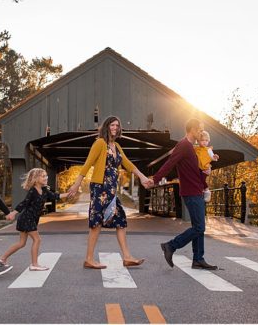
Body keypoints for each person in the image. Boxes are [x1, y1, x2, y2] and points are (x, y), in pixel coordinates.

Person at [68, 116, 153, 269]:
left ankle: (127, 257)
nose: (115, 128)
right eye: (112, 125)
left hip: (111, 190)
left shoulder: (117, 146)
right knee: (96, 223)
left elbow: (127, 163)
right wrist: (76, 184)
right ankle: (89, 259)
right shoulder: (100, 143)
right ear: (106, 126)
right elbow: (87, 164)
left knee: (121, 220)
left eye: (117, 125)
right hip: (100, 188)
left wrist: (142, 177)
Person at [155, 119, 218, 270]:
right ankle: (171, 246)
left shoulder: (192, 148)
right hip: (191, 192)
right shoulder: (183, 145)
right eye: (200, 130)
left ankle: (198, 259)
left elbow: (195, 173)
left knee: (198, 226)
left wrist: (205, 174)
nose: (202, 133)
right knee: (199, 227)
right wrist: (156, 178)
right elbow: (170, 162)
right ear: (194, 130)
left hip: (197, 190)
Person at [0, 168, 70, 271]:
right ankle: (34, 264)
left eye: (46, 176)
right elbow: (24, 203)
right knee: (37, 239)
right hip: (27, 218)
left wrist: (68, 194)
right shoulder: (33, 191)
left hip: (31, 219)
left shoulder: (44, 190)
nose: (46, 178)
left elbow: (55, 196)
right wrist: (13, 213)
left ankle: (2, 258)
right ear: (35, 179)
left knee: (21, 243)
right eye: (43, 176)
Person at [196, 130, 219, 202]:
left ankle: (207, 190)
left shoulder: (208, 150)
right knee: (198, 179)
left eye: (206, 140)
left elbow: (212, 157)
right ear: (198, 141)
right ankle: (202, 190)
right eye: (202, 140)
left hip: (205, 168)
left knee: (202, 179)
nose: (204, 142)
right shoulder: (196, 149)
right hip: (199, 167)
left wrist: (215, 157)